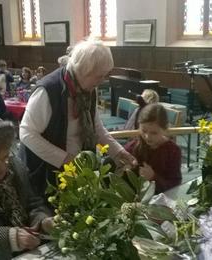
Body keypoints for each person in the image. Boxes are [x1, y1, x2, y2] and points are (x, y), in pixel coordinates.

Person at [20, 40, 137, 196]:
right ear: (83, 70)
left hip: (79, 168)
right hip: (48, 172)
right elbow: (27, 134)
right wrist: (66, 159)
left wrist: (118, 152)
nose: (101, 82)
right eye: (99, 76)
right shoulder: (48, 91)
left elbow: (96, 129)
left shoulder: (88, 89)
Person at [0, 115, 53, 260]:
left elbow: (34, 202)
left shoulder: (16, 166)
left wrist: (43, 221)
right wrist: (10, 239)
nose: (3, 167)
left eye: (6, 157)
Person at [125, 103, 182, 193]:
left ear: (164, 129)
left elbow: (174, 186)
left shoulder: (173, 151)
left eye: (154, 133)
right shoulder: (132, 147)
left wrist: (153, 177)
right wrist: (125, 169)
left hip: (161, 200)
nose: (147, 137)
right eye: (144, 131)